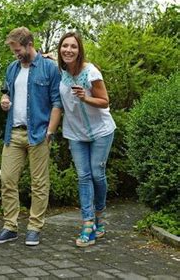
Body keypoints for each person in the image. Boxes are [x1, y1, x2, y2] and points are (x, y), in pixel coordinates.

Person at [0, 27, 62, 246]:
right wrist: (4, 100)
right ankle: (10, 227)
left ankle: (34, 227)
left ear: (29, 44)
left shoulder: (49, 68)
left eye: (18, 49)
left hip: (39, 134)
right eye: (13, 51)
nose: (16, 54)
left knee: (39, 183)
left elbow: (57, 103)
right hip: (13, 132)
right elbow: (7, 92)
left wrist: (50, 132)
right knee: (8, 179)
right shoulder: (12, 68)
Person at [57, 32, 116, 247]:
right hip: (75, 133)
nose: (68, 50)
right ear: (60, 50)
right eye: (65, 46)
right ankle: (88, 223)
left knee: (96, 173)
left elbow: (104, 101)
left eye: (73, 46)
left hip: (101, 131)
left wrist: (86, 97)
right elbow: (41, 57)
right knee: (83, 176)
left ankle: (99, 214)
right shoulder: (60, 71)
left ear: (80, 50)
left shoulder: (91, 73)